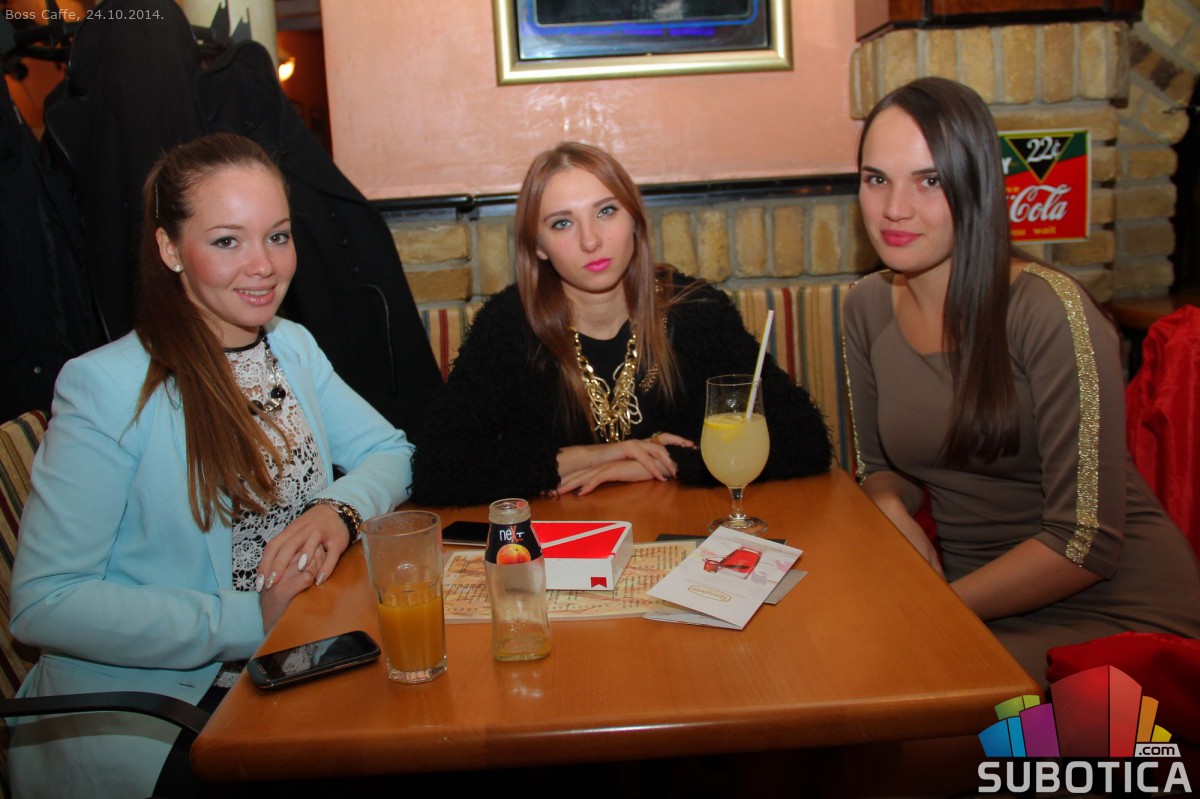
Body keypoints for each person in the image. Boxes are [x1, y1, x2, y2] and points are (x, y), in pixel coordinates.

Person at [8, 133, 414, 798]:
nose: (264, 265)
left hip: (297, 661)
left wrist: (336, 510)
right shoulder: (107, 386)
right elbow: (44, 603)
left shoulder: (291, 346)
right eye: (228, 240)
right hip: (161, 715)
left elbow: (391, 450)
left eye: (278, 236)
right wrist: (251, 617)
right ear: (170, 249)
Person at [843, 77, 1200, 687]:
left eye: (931, 181)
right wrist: (888, 505)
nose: (895, 208)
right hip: (975, 600)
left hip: (1118, 617)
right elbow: (878, 467)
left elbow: (1085, 541)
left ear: (977, 185)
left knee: (893, 716)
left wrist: (933, 609)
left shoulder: (1050, 309)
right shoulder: (865, 305)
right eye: (877, 179)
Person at [413, 141, 831, 506]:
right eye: (562, 223)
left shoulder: (696, 310)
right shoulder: (510, 326)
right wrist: (587, 456)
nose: (590, 240)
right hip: (563, 546)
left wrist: (665, 463)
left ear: (634, 219)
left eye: (606, 211)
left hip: (689, 535)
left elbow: (804, 438)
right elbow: (438, 470)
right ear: (538, 247)